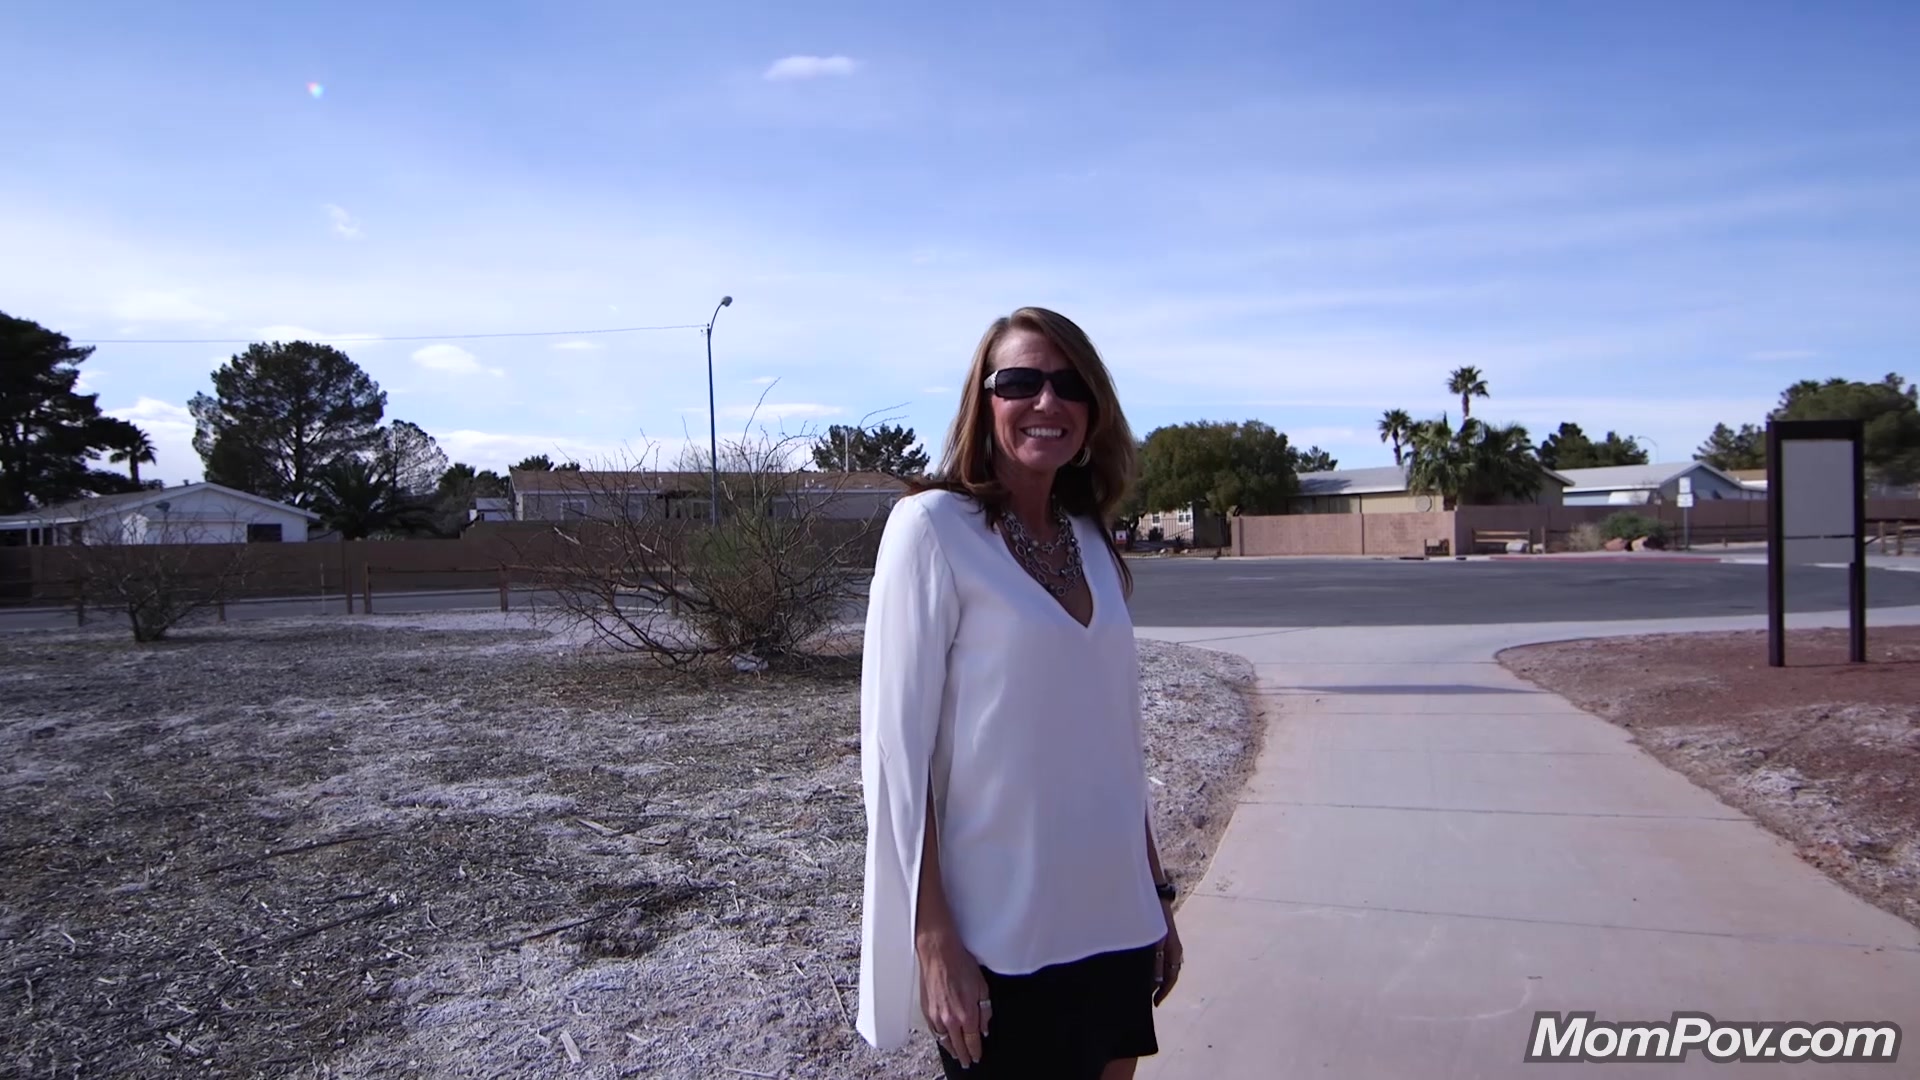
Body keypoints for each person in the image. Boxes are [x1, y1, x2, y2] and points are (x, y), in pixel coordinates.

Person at [856, 306, 1184, 1079]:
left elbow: (1116, 742)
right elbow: (895, 757)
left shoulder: (1094, 540)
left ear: (1093, 409)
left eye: (1069, 385)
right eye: (1020, 382)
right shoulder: (931, 529)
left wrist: (1156, 894)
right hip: (1000, 936)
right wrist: (932, 939)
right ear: (985, 399)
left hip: (1114, 918)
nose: (1047, 401)